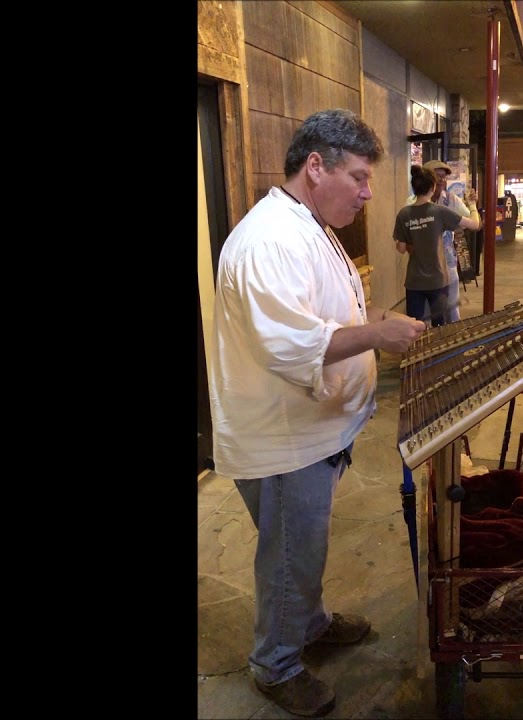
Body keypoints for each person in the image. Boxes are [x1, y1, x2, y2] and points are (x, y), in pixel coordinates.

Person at [208, 109, 427, 718]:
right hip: (283, 439)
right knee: (289, 554)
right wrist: (379, 334)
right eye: (358, 177)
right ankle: (275, 665)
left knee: (302, 546)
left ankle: (309, 624)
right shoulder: (270, 238)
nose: (366, 192)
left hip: (313, 431)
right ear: (315, 166)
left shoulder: (307, 222)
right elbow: (290, 344)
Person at [395, 165, 481, 326]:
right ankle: (439, 349)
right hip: (437, 278)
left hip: (414, 279)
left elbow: (400, 248)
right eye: (438, 176)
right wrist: (472, 205)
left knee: (415, 323)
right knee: (439, 324)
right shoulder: (439, 212)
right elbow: (475, 224)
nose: (442, 179)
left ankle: (418, 350)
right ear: (432, 185)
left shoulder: (404, 213)